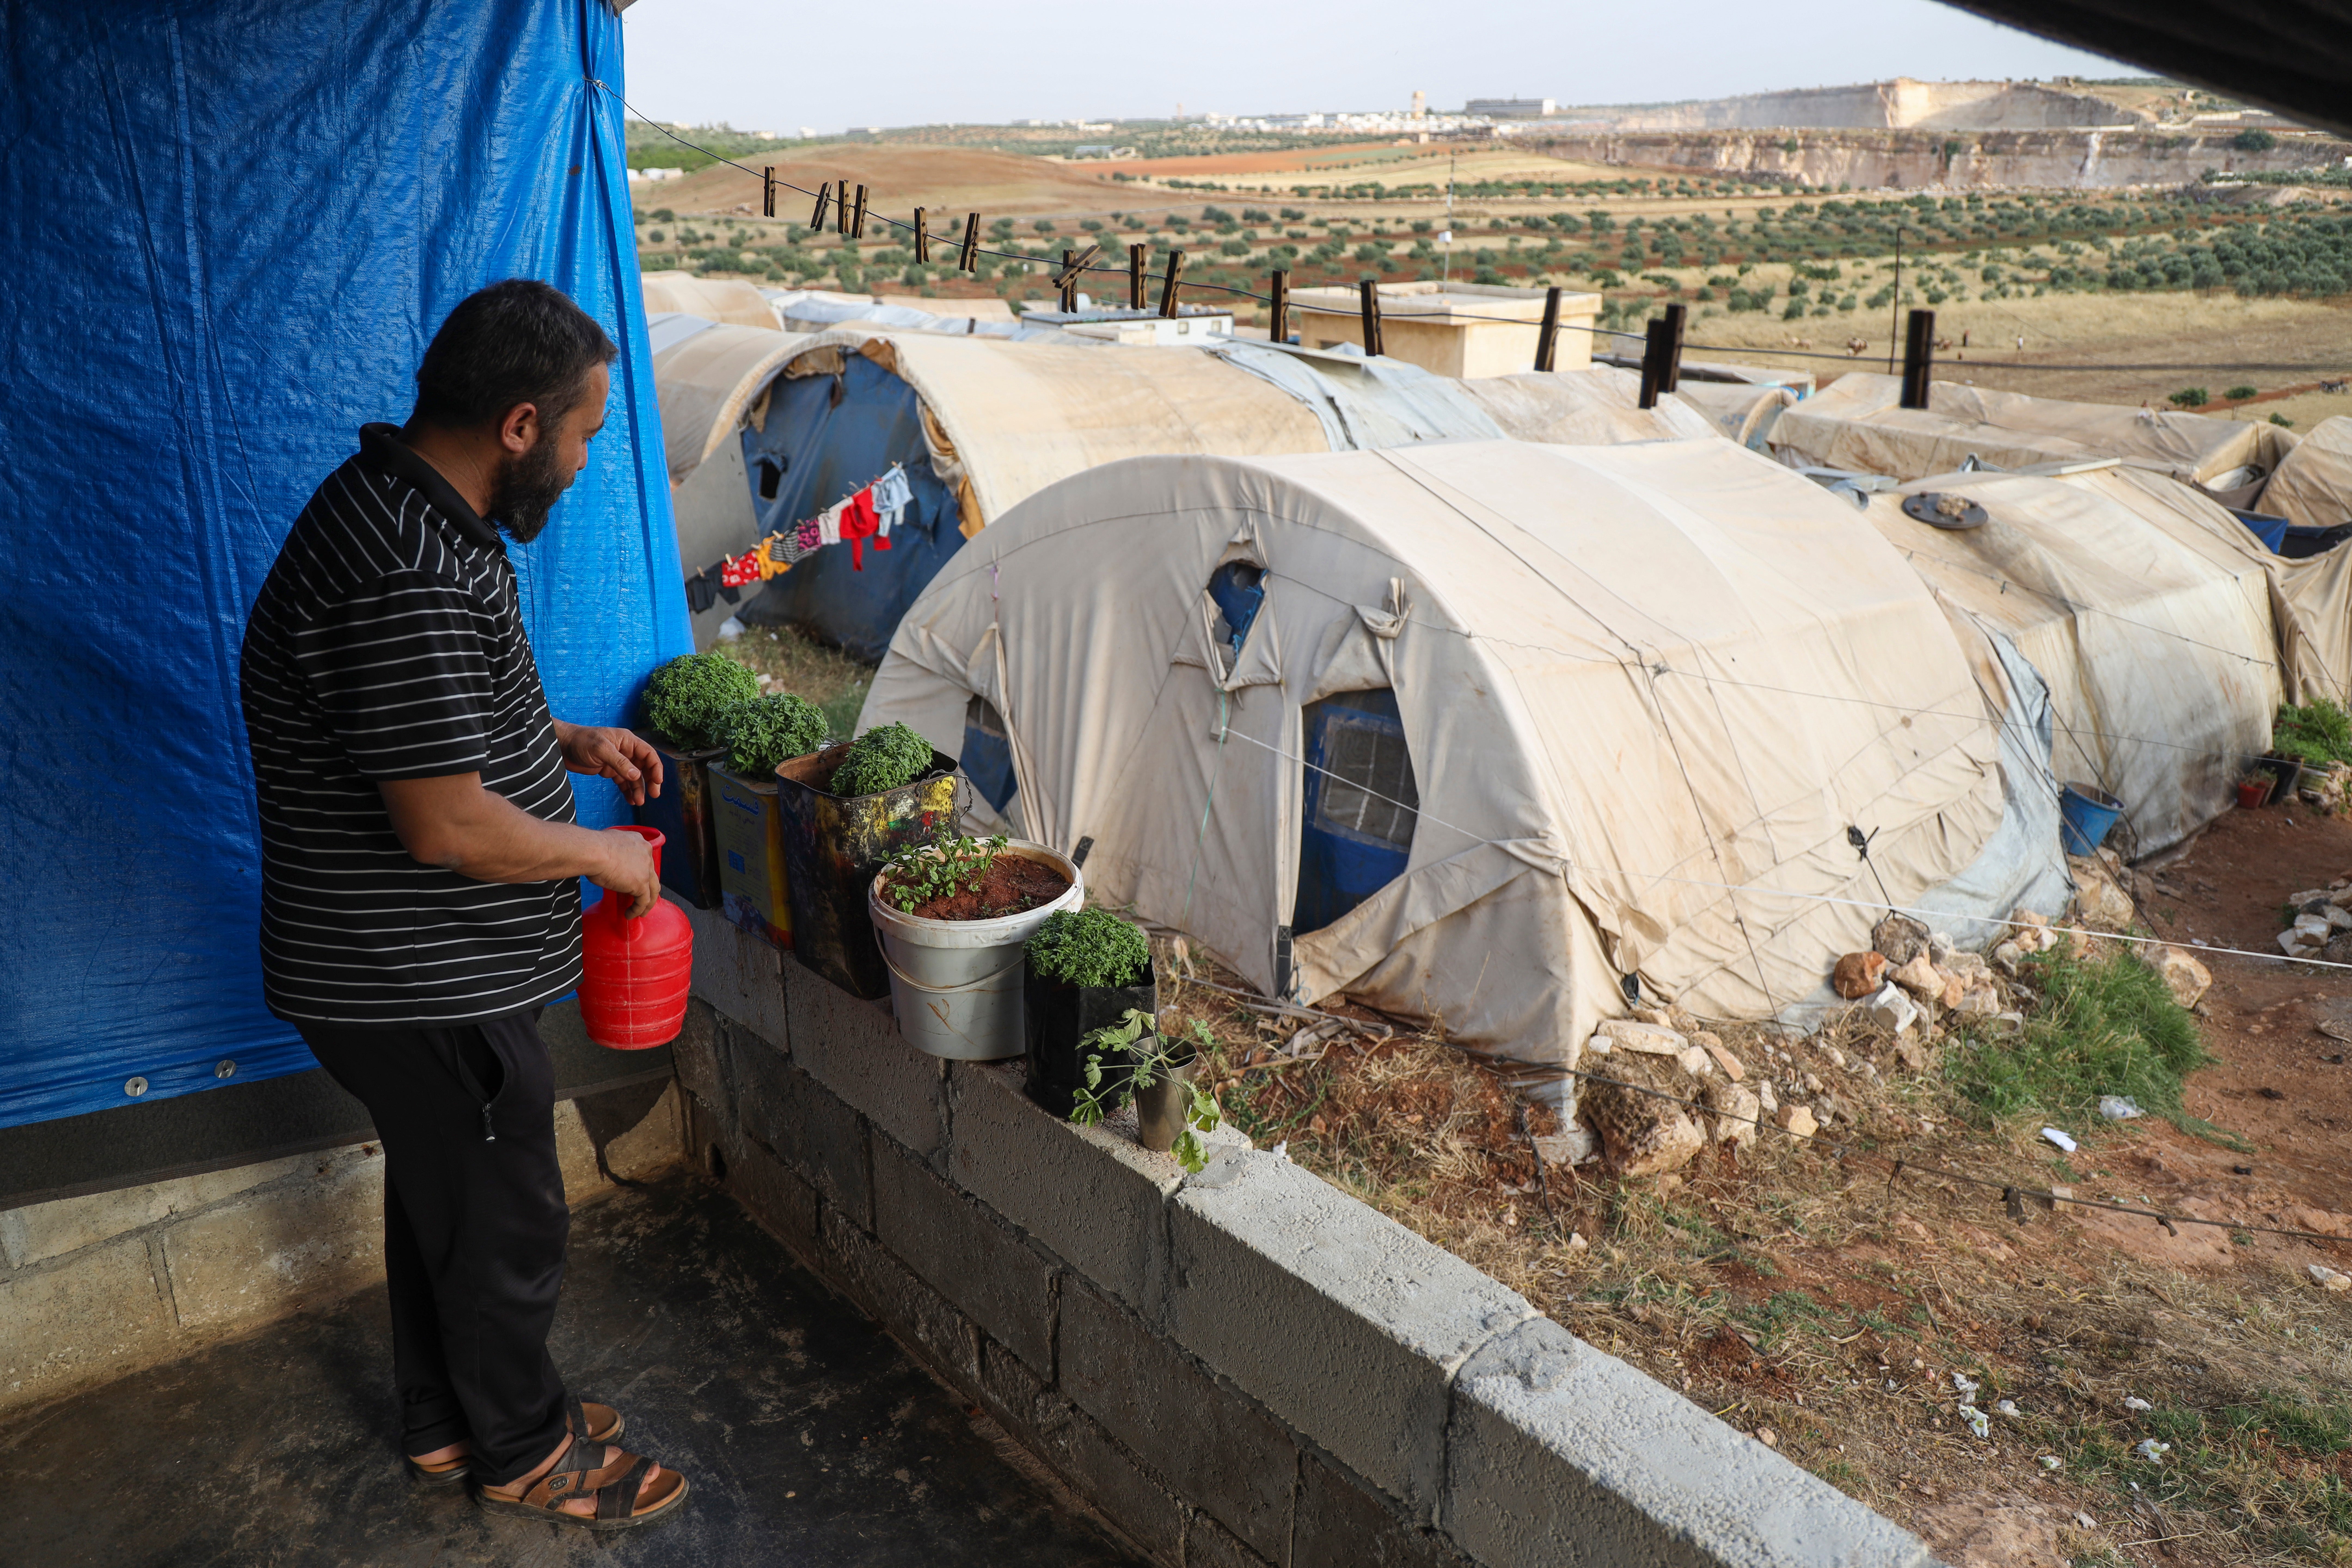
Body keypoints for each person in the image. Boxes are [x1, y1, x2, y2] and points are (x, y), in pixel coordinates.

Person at [239, 279, 689, 1531]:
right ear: (519, 424)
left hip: (393, 970)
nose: (591, 459)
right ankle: (526, 1451)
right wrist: (602, 862)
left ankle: (451, 1421)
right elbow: (441, 822)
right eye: (588, 433)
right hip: (413, 975)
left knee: (446, 1193)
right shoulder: (408, 568)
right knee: (503, 1214)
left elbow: (408, 721)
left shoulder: (395, 510)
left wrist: (564, 738)